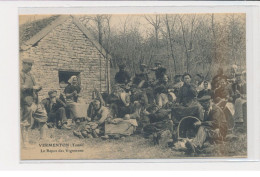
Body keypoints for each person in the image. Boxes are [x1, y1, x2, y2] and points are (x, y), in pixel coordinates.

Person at [20, 59, 44, 147]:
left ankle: (43, 138)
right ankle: (25, 143)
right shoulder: (20, 74)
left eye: (31, 65)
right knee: (26, 122)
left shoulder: (30, 75)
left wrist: (38, 87)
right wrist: (33, 87)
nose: (30, 67)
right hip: (26, 101)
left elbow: (35, 86)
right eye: (28, 64)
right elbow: (21, 87)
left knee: (43, 116)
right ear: (23, 64)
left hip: (35, 101)